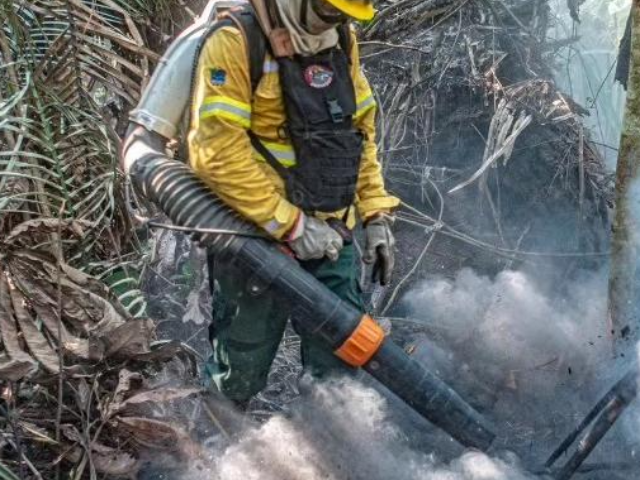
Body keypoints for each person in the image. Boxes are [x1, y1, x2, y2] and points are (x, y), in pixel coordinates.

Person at [188, 0, 399, 406]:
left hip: (331, 234)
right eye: (327, 9)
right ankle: (221, 449)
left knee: (339, 355)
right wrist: (292, 226)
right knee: (241, 360)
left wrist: (375, 213)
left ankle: (328, 441)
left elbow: (357, 131)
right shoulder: (237, 40)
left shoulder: (340, 39)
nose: (333, 19)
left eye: (343, 14)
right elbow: (216, 153)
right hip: (253, 236)